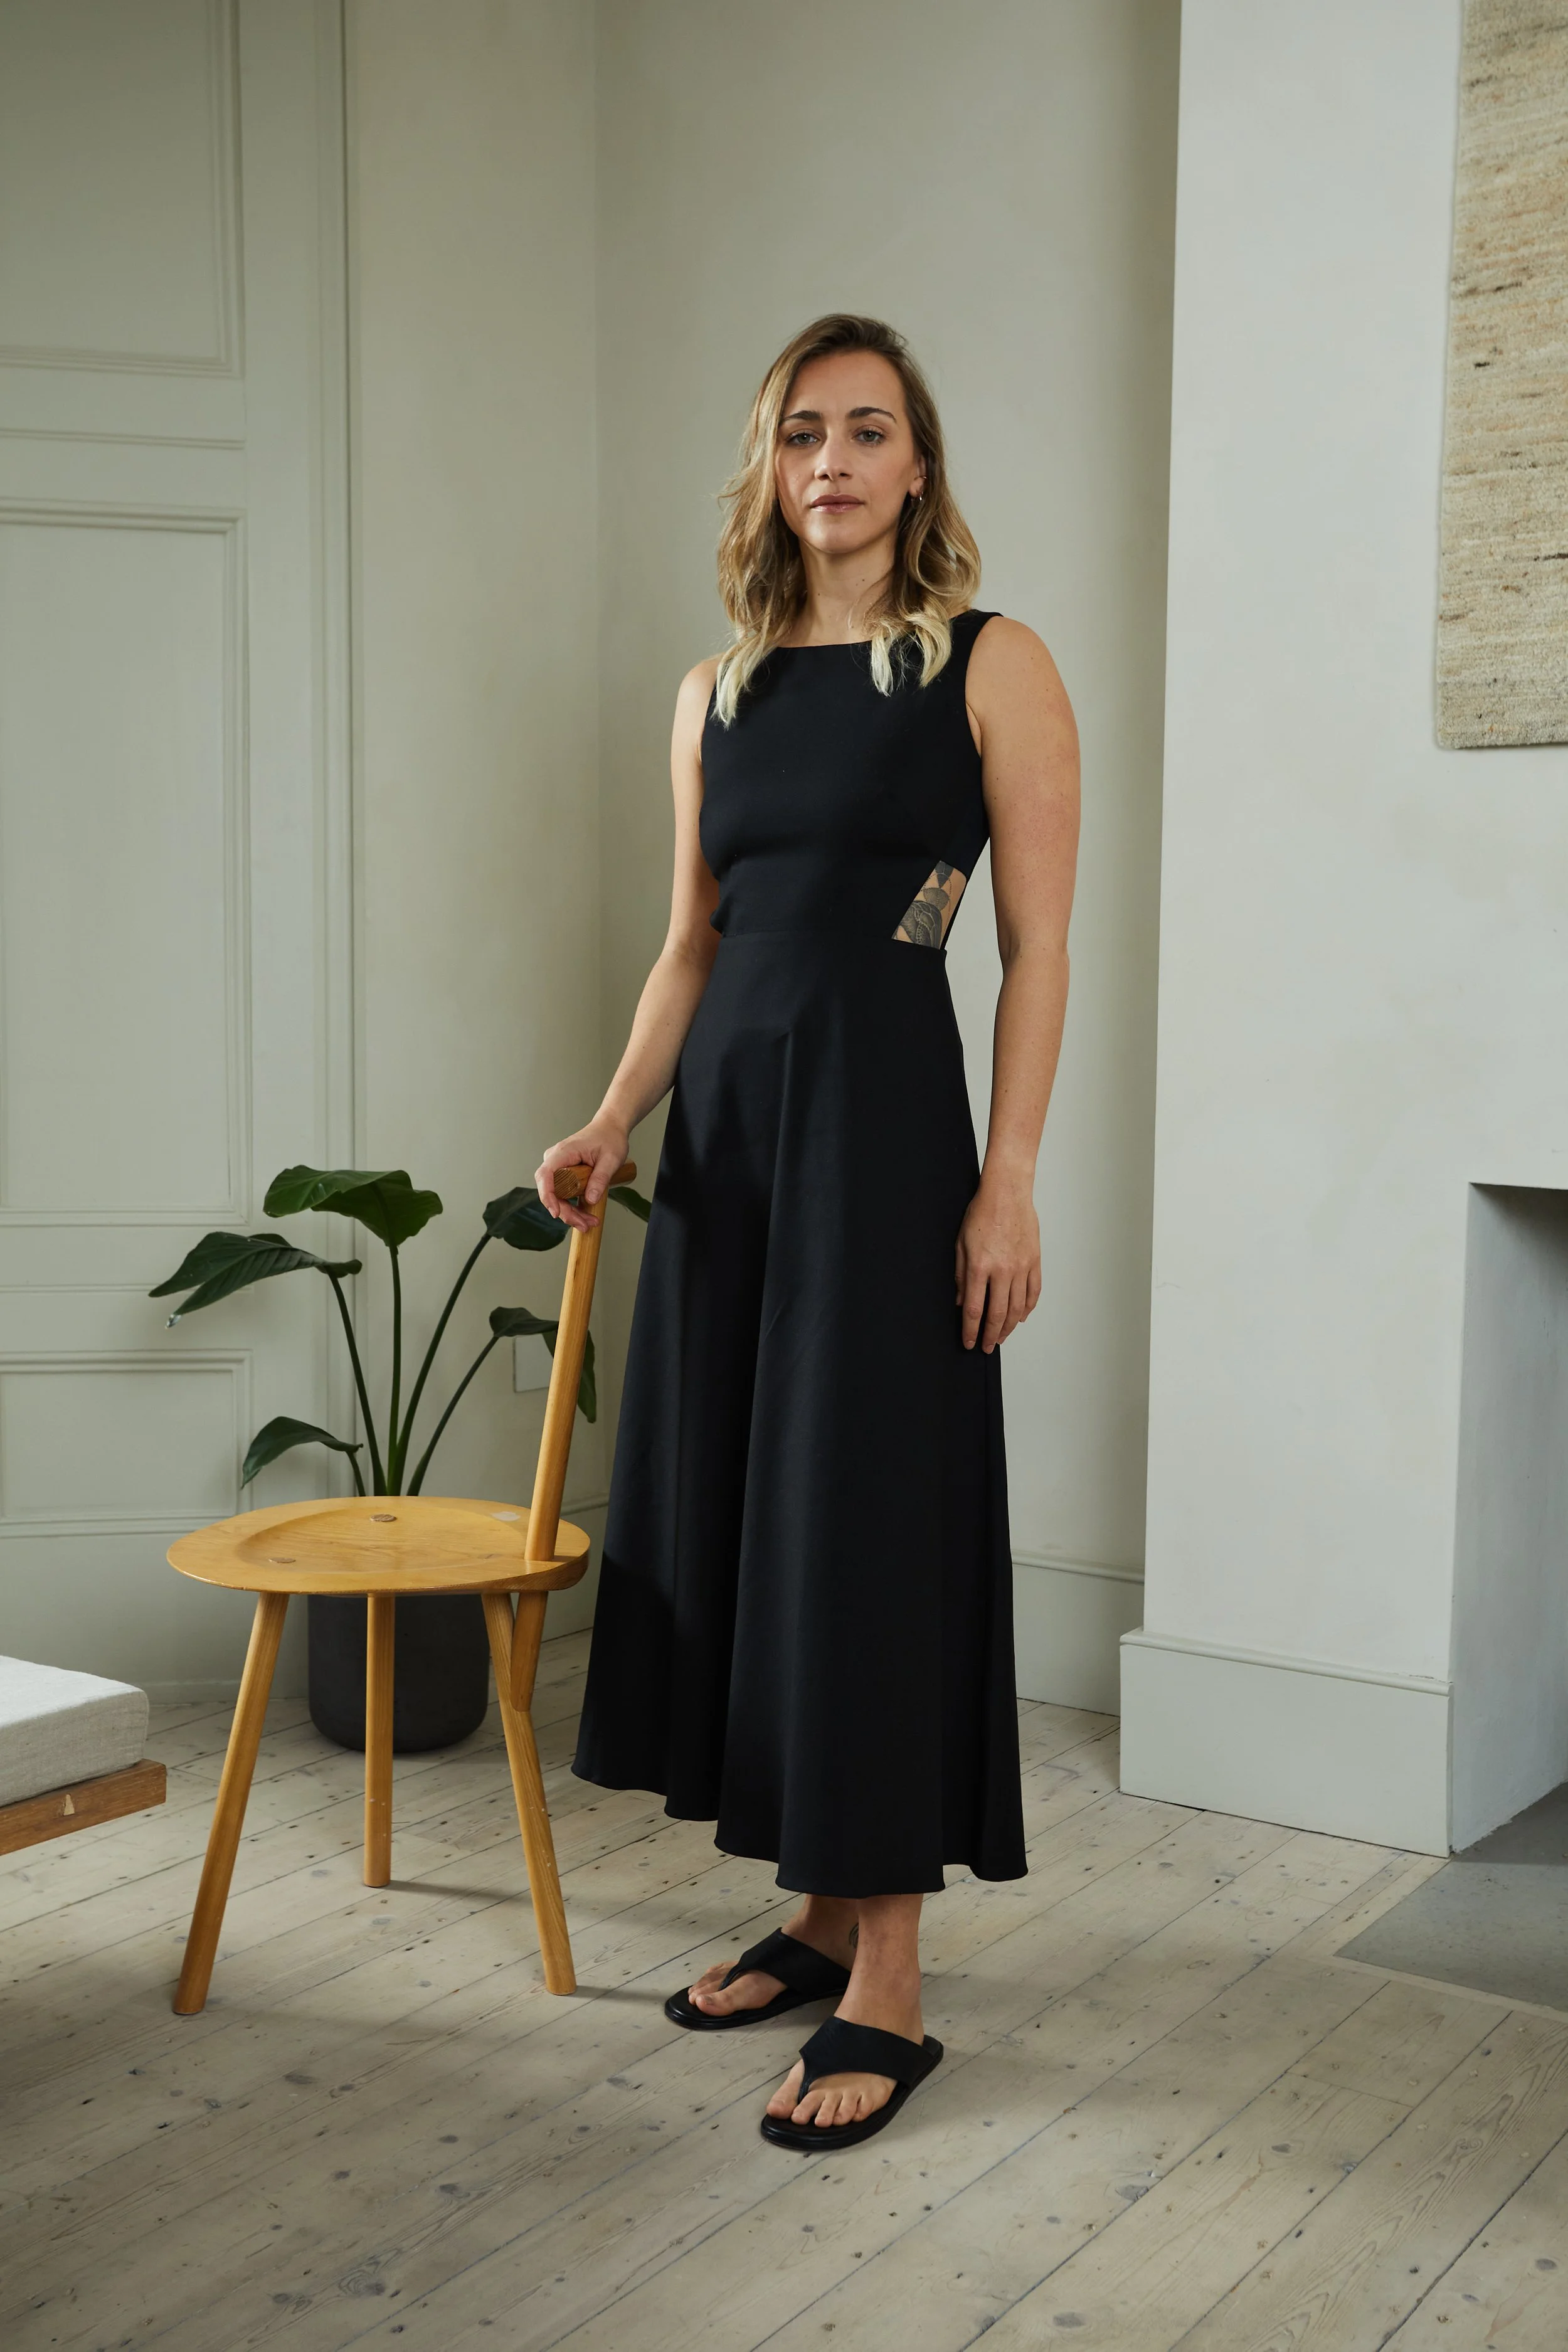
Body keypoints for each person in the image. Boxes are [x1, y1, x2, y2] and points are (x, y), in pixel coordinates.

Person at [535, 312, 1079, 2151]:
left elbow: (1036, 947)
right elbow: (691, 943)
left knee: (864, 1521)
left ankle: (891, 1979)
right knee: (754, 1516)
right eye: (800, 433)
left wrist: (1010, 1175)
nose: (831, 461)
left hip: (886, 1137)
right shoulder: (717, 691)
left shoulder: (992, 664)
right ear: (769, 469)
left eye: (866, 430)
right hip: (732, 1146)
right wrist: (613, 1118)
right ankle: (823, 1906)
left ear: (917, 465)